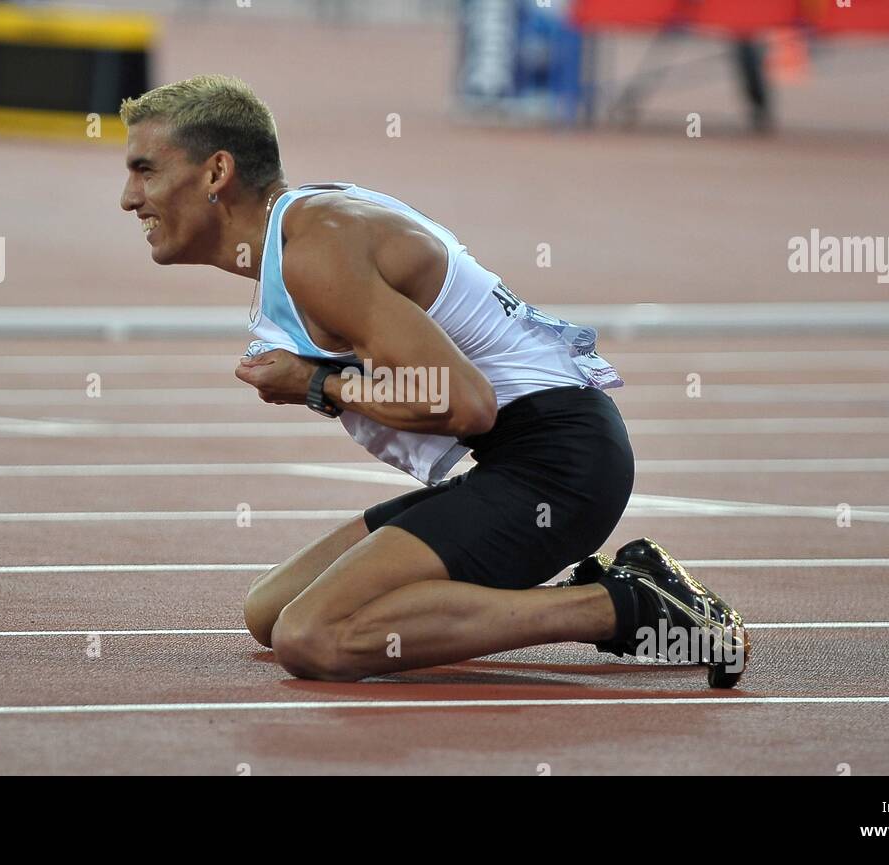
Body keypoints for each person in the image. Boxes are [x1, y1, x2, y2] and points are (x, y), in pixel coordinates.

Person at [118, 74, 748, 687]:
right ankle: (600, 592)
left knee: (312, 637)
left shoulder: (317, 249)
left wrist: (317, 385)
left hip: (561, 467)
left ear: (216, 173)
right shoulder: (302, 232)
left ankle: (625, 606)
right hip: (521, 458)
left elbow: (465, 405)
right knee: (270, 612)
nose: (129, 198)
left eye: (146, 170)